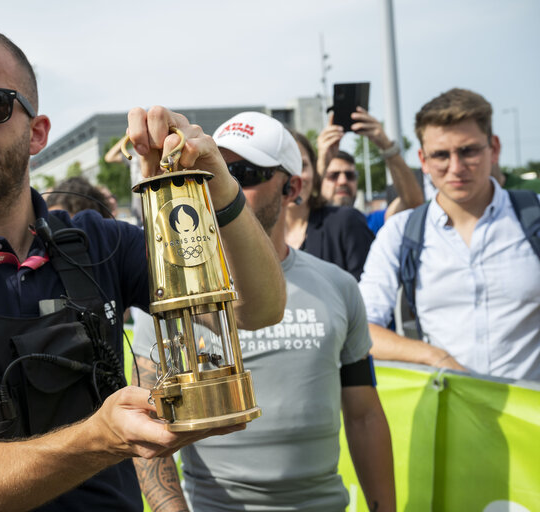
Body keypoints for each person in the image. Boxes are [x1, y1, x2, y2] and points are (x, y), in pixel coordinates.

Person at [0, 23, 285, 512]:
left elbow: (256, 307)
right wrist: (100, 438)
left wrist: (217, 185)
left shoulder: (100, 242)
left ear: (37, 132)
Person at [132, 111, 395, 512]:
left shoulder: (338, 286)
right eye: (214, 169)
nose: (224, 184)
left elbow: (364, 417)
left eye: (244, 173)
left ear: (293, 187)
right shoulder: (173, 290)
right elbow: (147, 426)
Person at [359, 88, 540, 383]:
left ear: (495, 148)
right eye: (441, 155)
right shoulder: (400, 232)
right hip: (451, 413)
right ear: (423, 160)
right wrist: (433, 357)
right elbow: (361, 330)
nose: (456, 168)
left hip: (539, 417)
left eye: (468, 151)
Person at [316, 108, 424, 232]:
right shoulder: (307, 226)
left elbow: (412, 203)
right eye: (333, 175)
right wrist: (322, 162)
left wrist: (387, 146)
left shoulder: (370, 223)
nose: (343, 181)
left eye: (350, 175)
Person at [284, 131, 374, 280]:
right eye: (285, 166)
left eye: (302, 165)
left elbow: (366, 296)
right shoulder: (254, 237)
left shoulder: (346, 221)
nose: (295, 177)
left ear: (314, 171)